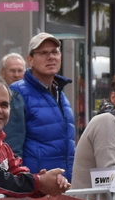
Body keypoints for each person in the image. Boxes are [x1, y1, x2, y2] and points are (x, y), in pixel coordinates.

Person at [6, 32, 76, 179]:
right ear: (30, 60)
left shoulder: (59, 93)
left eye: (55, 52)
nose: (51, 57)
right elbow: (11, 148)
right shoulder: (17, 92)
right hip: (35, 188)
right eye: (43, 53)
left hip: (62, 186)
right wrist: (23, 184)